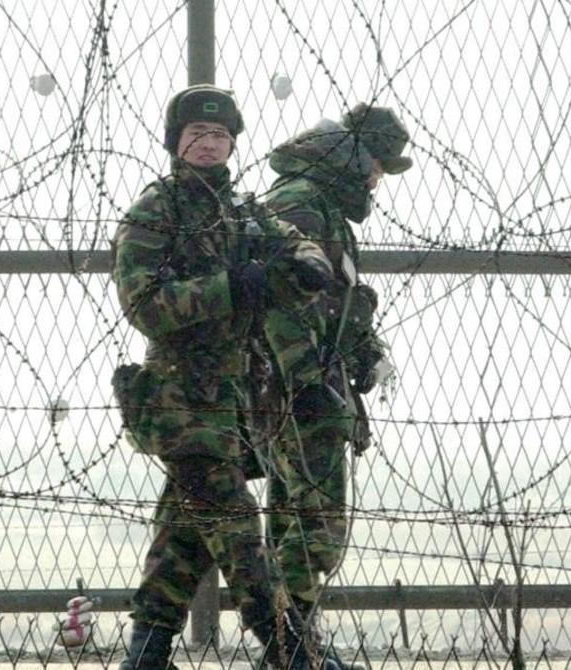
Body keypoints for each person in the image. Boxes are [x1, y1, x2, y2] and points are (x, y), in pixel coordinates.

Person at [111, 84, 336, 670]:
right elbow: (145, 304)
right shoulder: (155, 211)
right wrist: (233, 287)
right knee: (239, 539)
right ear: (175, 143)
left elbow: (291, 249)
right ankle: (299, 656)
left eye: (219, 135)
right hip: (179, 399)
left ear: (232, 143)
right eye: (196, 135)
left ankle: (145, 656)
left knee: (182, 539)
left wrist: (303, 260)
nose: (208, 144)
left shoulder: (241, 212)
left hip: (232, 400)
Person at [259, 103, 412, 669]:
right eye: (377, 166)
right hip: (297, 393)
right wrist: (307, 381)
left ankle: (292, 647)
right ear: (357, 157)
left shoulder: (318, 204)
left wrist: (365, 352)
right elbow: (281, 301)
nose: (377, 180)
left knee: (299, 523)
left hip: (307, 386)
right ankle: (293, 652)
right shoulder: (301, 203)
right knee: (313, 527)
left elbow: (334, 302)